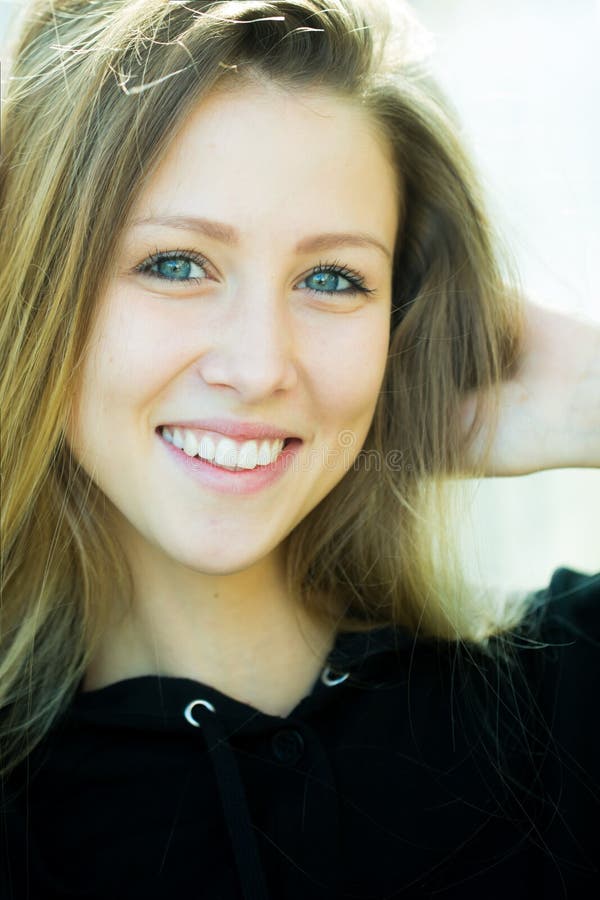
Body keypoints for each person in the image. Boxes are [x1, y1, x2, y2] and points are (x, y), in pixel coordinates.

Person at [0, 0, 598, 898]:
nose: (258, 367)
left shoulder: (563, 701)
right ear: (36, 284)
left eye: (332, 279)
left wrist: (584, 400)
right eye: (175, 263)